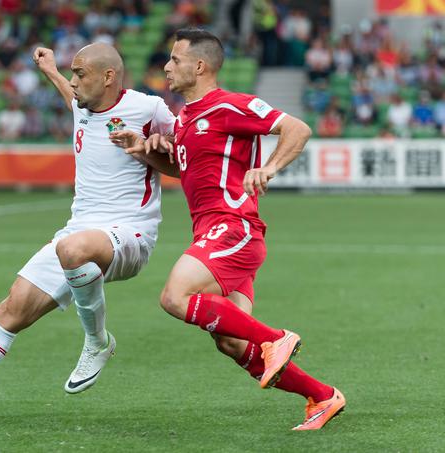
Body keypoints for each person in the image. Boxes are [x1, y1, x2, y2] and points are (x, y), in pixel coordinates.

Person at [0, 42, 176, 420]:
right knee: (12, 307)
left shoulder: (149, 109)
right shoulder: (82, 103)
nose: (72, 82)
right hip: (79, 231)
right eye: (70, 74)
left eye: (80, 74)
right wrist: (50, 69)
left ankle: (97, 341)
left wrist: (149, 149)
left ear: (108, 77)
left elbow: (185, 162)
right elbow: (68, 93)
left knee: (72, 250)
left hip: (131, 233)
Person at [110, 28, 345, 431]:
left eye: (175, 59)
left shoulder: (230, 105)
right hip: (215, 233)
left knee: (175, 296)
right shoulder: (185, 118)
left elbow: (298, 129)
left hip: (233, 228)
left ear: (199, 66)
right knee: (232, 342)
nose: (166, 66)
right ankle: (322, 397)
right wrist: (144, 149)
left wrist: (269, 167)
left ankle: (275, 338)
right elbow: (184, 171)